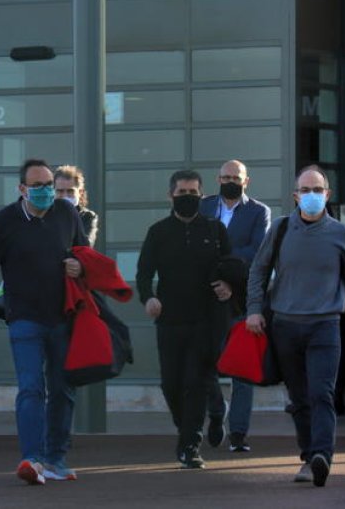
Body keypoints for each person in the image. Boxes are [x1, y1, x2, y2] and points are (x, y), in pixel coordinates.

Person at [0, 159, 88, 485]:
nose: (45, 191)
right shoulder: (6, 221)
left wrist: (79, 266)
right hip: (24, 319)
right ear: (22, 189)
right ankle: (32, 459)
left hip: (63, 318)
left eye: (49, 185)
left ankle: (55, 459)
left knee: (63, 390)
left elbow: (86, 256)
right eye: (38, 186)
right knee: (31, 388)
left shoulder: (67, 214)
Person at [245, 165, 345, 488]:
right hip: (285, 325)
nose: (312, 196)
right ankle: (308, 455)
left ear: (327, 195)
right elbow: (258, 271)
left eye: (318, 190)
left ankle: (322, 456)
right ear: (296, 196)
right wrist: (253, 311)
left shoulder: (340, 233)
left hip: (325, 325)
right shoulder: (281, 229)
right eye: (306, 190)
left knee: (322, 392)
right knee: (299, 398)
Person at [136, 170, 231, 469]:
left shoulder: (215, 230)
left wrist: (229, 287)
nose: (187, 198)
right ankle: (205, 419)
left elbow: (232, 268)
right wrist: (148, 297)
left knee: (196, 382)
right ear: (171, 196)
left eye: (193, 193)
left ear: (201, 196)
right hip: (169, 320)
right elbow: (143, 273)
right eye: (182, 193)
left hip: (206, 320)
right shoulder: (158, 232)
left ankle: (190, 445)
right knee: (171, 384)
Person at [199, 159, 271, 452]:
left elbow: (256, 252)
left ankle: (239, 433)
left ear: (246, 181)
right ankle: (217, 411)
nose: (230, 181)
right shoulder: (203, 207)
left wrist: (225, 273)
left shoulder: (258, 212)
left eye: (236, 177)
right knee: (205, 366)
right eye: (225, 176)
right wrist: (216, 279)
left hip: (241, 299)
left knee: (242, 370)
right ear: (217, 179)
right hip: (206, 299)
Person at [54, 165, 99, 245]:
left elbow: (85, 245)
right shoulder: (45, 215)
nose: (65, 196)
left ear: (80, 192)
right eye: (60, 191)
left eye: (70, 191)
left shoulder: (87, 216)